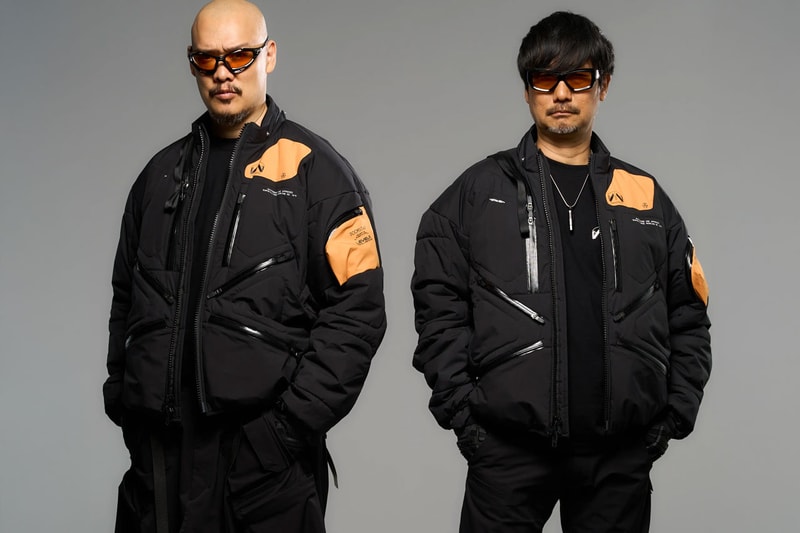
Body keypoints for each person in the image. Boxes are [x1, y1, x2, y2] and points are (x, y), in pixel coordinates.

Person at [411, 11, 711, 532]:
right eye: (545, 80)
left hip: (618, 458)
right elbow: (438, 308)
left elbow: (689, 312)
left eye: (577, 78)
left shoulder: (645, 198)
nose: (562, 94)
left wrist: (673, 415)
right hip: (507, 453)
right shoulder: (476, 194)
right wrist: (465, 417)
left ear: (603, 85)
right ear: (527, 90)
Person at [103, 1, 386, 531]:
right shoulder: (159, 176)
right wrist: (122, 399)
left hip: (262, 468)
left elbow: (359, 312)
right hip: (159, 462)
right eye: (207, 59)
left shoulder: (318, 173)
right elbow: (126, 295)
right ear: (192, 63)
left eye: (238, 56)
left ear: (269, 55)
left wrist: (286, 429)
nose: (223, 73)